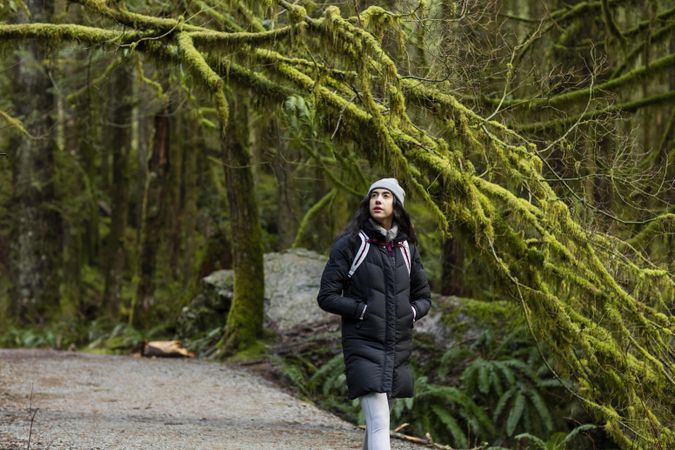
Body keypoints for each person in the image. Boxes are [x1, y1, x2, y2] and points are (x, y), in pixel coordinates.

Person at [317, 178, 432, 450]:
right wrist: (362, 310)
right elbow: (326, 296)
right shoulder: (352, 245)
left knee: (378, 423)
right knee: (380, 421)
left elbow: (424, 297)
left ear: (397, 206)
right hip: (363, 343)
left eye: (386, 196)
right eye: (374, 195)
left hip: (397, 347)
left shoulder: (407, 249)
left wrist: (411, 312)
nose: (378, 200)